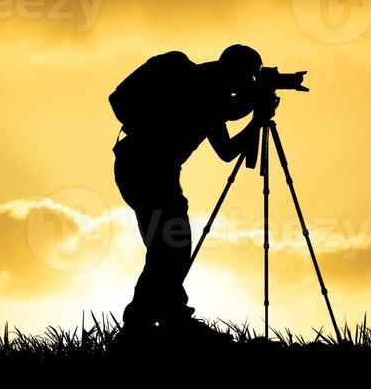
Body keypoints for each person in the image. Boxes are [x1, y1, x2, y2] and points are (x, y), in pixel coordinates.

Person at [109, 44, 276, 340]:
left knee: (167, 246)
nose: (248, 85)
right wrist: (256, 111)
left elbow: (226, 150)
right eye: (248, 78)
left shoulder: (211, 92)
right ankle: (148, 323)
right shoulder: (199, 85)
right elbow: (227, 112)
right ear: (234, 73)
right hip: (147, 170)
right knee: (170, 245)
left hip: (145, 170)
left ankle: (159, 318)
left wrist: (255, 117)